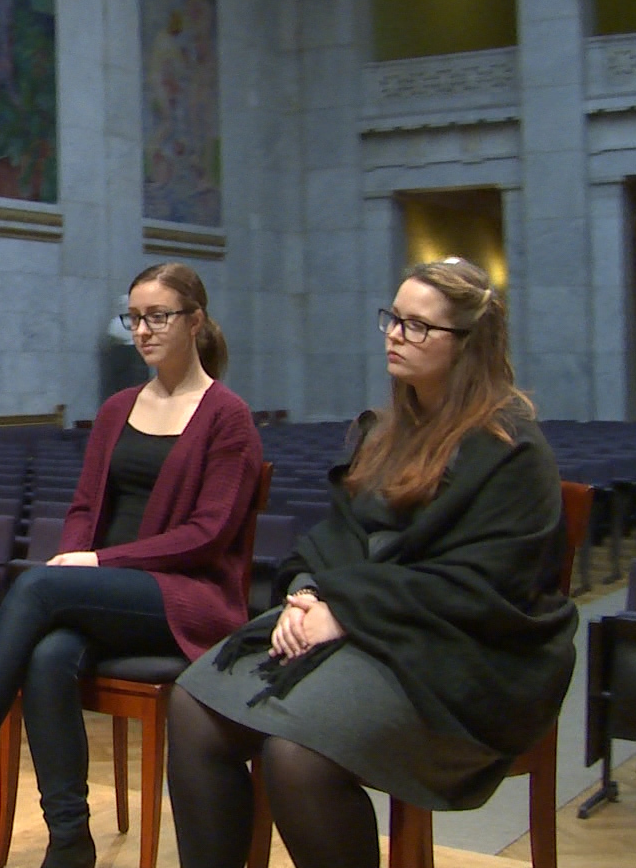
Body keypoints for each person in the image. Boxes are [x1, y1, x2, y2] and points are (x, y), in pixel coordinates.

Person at [165, 258, 578, 868]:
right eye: (393, 319)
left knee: (296, 755)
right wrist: (306, 595)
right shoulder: (389, 430)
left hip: (463, 659)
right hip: (370, 627)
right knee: (194, 705)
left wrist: (347, 611)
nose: (394, 334)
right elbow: (334, 539)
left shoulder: (510, 448)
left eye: (417, 326)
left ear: (468, 344)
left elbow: (479, 588)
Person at [0, 263, 262, 868]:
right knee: (49, 656)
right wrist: (79, 555)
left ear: (196, 321)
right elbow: (84, 508)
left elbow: (206, 537)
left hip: (188, 598)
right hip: (113, 590)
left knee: (39, 588)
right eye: (135, 318)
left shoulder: (226, 415)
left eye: (159, 316)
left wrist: (96, 560)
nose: (144, 330)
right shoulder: (117, 409)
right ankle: (70, 838)